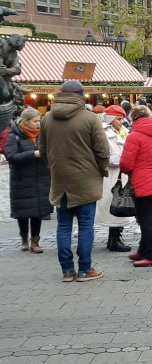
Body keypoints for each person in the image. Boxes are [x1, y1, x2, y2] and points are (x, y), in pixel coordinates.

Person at [38, 79, 110, 282]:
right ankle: (85, 269)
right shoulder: (90, 118)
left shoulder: (47, 118)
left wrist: (54, 167)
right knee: (86, 226)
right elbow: (102, 150)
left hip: (60, 179)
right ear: (81, 95)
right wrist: (101, 169)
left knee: (63, 226)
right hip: (86, 179)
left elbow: (43, 150)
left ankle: (67, 271)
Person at [119, 105, 152, 267]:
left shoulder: (134, 136)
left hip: (143, 181)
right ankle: (143, 250)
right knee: (147, 217)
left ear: (133, 118)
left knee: (146, 219)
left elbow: (126, 164)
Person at [5, 107, 52, 253]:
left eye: (39, 121)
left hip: (42, 177)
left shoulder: (43, 135)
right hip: (22, 179)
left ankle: (35, 241)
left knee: (39, 210)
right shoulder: (15, 136)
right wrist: (33, 154)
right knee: (23, 211)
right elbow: (11, 156)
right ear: (25, 121)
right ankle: (24, 239)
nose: (38, 124)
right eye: (35, 121)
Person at [95, 104, 133, 253]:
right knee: (114, 205)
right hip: (111, 176)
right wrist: (126, 158)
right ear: (110, 119)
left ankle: (115, 237)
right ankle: (114, 240)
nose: (122, 122)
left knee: (120, 205)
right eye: (118, 119)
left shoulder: (123, 131)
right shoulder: (103, 133)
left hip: (121, 174)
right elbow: (106, 156)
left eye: (123, 118)